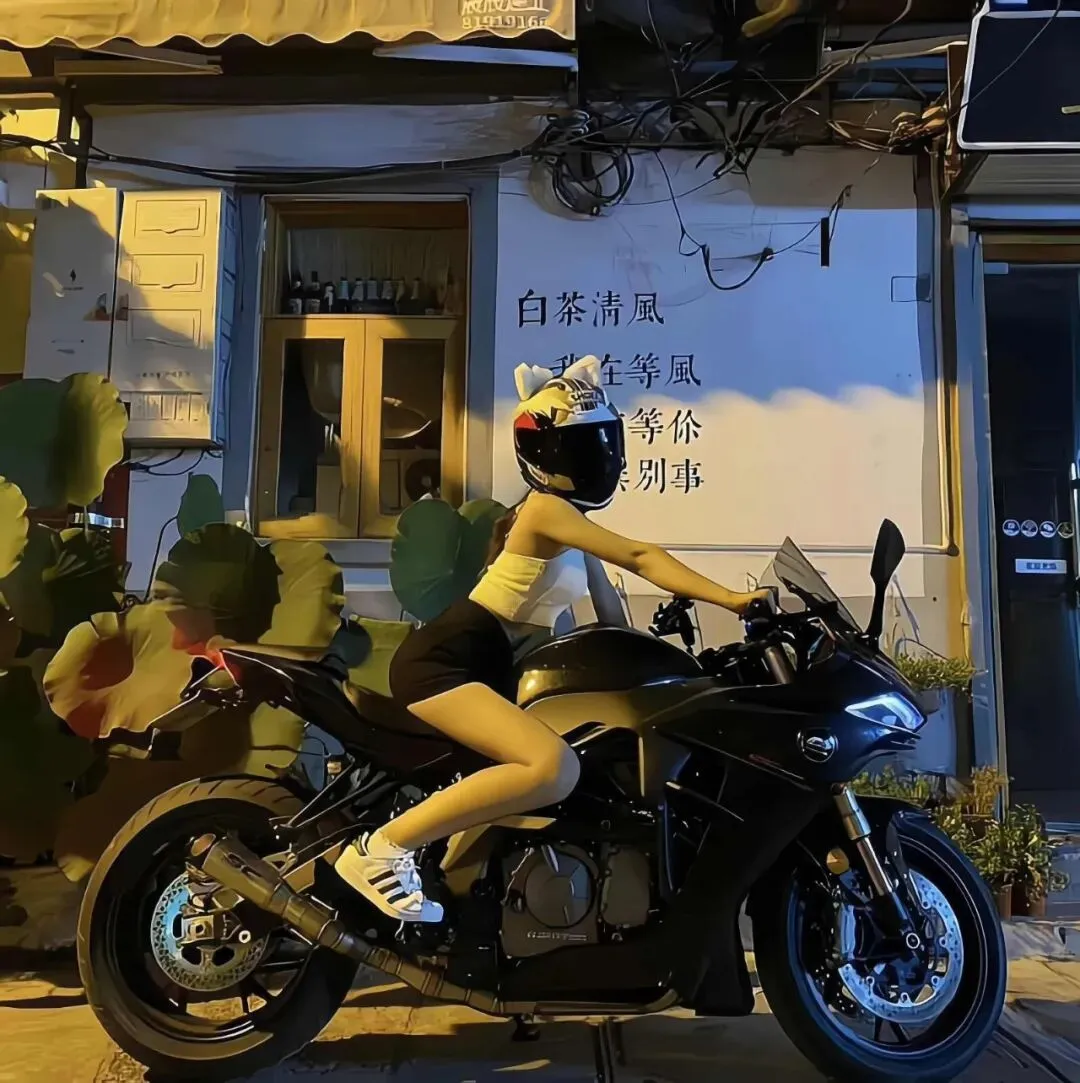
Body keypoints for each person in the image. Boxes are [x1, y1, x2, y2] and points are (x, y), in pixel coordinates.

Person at [335, 355, 771, 921]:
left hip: (486, 664)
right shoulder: (543, 511)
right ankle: (381, 849)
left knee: (574, 765)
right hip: (447, 662)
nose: (597, 460)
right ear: (545, 456)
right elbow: (640, 556)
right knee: (553, 768)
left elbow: (612, 617)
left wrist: (672, 673)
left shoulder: (570, 528)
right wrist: (734, 599)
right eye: (581, 449)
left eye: (600, 446)